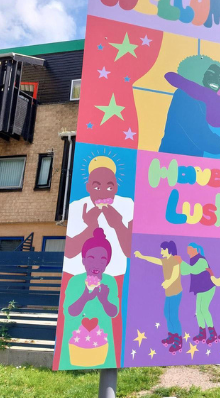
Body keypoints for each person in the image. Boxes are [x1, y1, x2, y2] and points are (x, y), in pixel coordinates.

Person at [65, 155, 133, 278]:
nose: (103, 192)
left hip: (115, 275)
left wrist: (118, 225)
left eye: (109, 187)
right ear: (88, 187)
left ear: (116, 188)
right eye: (97, 187)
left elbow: (130, 252)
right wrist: (91, 227)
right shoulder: (77, 206)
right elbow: (69, 252)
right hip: (77, 275)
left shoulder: (127, 204)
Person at [60, 229, 120, 369]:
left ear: (107, 263)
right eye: (91, 258)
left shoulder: (109, 282)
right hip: (76, 341)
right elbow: (69, 312)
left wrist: (104, 300)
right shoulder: (75, 281)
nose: (97, 263)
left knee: (103, 360)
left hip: (102, 340)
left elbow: (114, 312)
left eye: (103, 259)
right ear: (84, 260)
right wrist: (85, 297)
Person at [134, 241, 183, 354]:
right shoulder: (165, 261)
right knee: (167, 314)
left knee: (173, 316)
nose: (161, 252)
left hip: (176, 293)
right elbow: (154, 260)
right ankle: (172, 335)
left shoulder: (174, 261)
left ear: (168, 250)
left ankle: (178, 340)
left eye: (162, 250)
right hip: (169, 293)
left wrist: (168, 282)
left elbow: (175, 275)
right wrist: (142, 256)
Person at [180, 243, 217, 344]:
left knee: (204, 309)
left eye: (189, 249)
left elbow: (194, 270)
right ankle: (202, 333)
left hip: (208, 288)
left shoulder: (201, 260)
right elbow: (185, 272)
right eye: (187, 249)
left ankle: (213, 334)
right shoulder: (193, 259)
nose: (187, 251)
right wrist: (181, 264)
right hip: (200, 289)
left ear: (195, 249)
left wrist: (181, 262)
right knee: (198, 311)